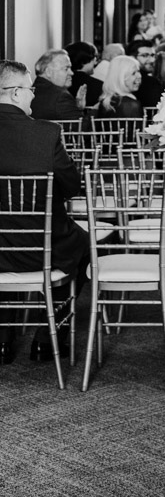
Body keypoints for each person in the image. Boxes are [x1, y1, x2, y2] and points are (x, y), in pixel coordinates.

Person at [0, 60, 89, 365]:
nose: (34, 96)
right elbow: (72, 186)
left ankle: (3, 340)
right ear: (14, 94)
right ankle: (48, 338)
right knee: (83, 244)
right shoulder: (46, 133)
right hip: (43, 248)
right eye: (29, 89)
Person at [95, 55, 144, 141]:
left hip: (106, 152)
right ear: (120, 77)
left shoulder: (106, 101)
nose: (139, 76)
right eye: (133, 73)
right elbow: (135, 139)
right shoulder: (131, 105)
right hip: (128, 153)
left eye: (138, 71)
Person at [31, 49, 84, 121]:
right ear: (48, 72)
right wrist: (97, 108)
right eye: (66, 68)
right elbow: (84, 128)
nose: (71, 73)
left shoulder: (31, 92)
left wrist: (78, 107)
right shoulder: (61, 97)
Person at [65, 41, 103, 109]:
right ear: (86, 60)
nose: (95, 62)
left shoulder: (61, 83)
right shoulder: (100, 86)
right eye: (94, 58)